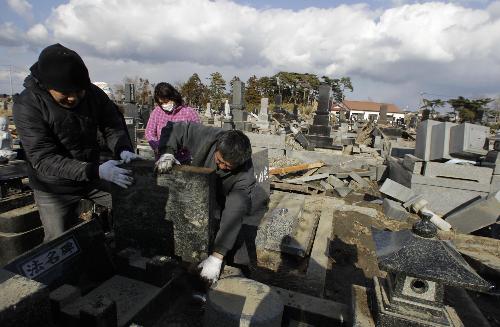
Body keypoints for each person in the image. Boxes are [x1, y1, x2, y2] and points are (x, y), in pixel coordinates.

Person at [13, 43, 142, 241]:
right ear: (48, 87)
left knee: (132, 201)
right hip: (53, 184)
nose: (73, 98)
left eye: (79, 91)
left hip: (92, 173)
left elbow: (111, 124)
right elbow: (43, 158)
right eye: (65, 93)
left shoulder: (92, 93)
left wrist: (123, 149)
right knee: (58, 239)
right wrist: (95, 170)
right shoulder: (28, 105)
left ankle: (119, 246)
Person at [156, 122, 255, 284]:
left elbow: (234, 212)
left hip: (223, 196)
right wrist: (167, 152)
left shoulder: (245, 177)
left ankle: (238, 268)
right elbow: (176, 128)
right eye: (219, 160)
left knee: (233, 232)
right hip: (199, 186)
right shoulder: (210, 136)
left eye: (227, 166)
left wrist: (217, 256)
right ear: (217, 147)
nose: (221, 167)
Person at [145, 83, 200, 160]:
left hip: (182, 159)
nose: (164, 105)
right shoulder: (157, 112)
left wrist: (182, 146)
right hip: (162, 159)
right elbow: (149, 132)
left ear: (173, 97)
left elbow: (197, 134)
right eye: (161, 103)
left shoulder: (189, 112)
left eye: (166, 101)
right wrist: (157, 146)